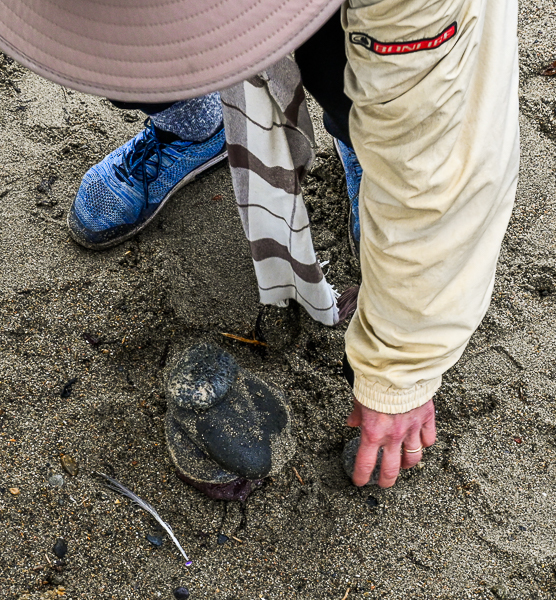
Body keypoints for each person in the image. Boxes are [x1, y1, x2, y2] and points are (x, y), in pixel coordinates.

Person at [0, 0, 519, 489]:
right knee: (111, 49)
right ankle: (193, 126)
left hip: (395, 39)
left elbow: (446, 170)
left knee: (352, 82)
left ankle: (364, 132)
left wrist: (401, 370)